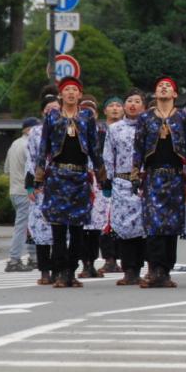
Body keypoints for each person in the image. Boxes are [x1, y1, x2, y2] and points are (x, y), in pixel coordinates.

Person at [34, 77, 106, 289]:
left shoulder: (87, 117)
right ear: (61, 95)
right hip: (57, 177)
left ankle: (71, 272)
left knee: (77, 229)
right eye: (67, 90)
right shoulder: (52, 117)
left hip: (80, 177)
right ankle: (59, 271)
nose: (71, 93)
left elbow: (94, 148)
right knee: (57, 228)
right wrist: (38, 177)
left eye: (75, 90)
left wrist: (102, 177)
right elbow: (43, 147)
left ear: (80, 95)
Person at [132, 76, 186, 288]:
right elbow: (138, 148)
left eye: (168, 86)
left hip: (175, 177)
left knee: (172, 226)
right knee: (153, 225)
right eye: (160, 86)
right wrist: (135, 175)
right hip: (153, 176)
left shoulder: (184, 117)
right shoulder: (145, 118)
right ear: (155, 93)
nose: (163, 88)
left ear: (175, 94)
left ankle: (165, 271)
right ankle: (154, 269)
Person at [105, 89, 147, 285]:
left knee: (144, 228)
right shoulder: (115, 129)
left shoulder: (150, 126)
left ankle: (142, 267)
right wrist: (108, 179)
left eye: (137, 101)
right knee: (124, 227)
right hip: (122, 181)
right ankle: (129, 269)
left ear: (143, 107)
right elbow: (108, 155)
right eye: (129, 101)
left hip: (144, 182)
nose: (132, 104)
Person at [25, 92, 58, 284]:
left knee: (60, 229)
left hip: (63, 185)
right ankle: (44, 271)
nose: (52, 112)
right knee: (40, 228)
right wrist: (30, 185)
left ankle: (58, 269)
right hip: (41, 185)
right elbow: (30, 159)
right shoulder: (35, 132)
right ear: (42, 112)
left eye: (56, 108)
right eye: (48, 109)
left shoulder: (69, 127)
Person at [78, 95, 107, 279]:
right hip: (80, 179)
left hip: (98, 180)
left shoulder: (103, 133)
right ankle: (84, 263)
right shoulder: (74, 131)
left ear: (96, 114)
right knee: (81, 225)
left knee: (96, 225)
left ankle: (93, 261)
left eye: (91, 111)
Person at [95, 96, 125, 275]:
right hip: (102, 180)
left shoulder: (127, 130)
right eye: (111, 106)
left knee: (121, 220)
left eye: (118, 105)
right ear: (105, 110)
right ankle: (109, 259)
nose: (115, 108)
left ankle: (122, 259)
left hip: (123, 180)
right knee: (103, 221)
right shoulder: (98, 131)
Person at [3, 118, 37, 272]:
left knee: (29, 226)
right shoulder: (29, 145)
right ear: (29, 129)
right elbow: (34, 170)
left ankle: (34, 257)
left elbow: (6, 169)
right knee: (23, 227)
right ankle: (14, 259)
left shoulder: (15, 144)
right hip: (26, 192)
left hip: (14, 190)